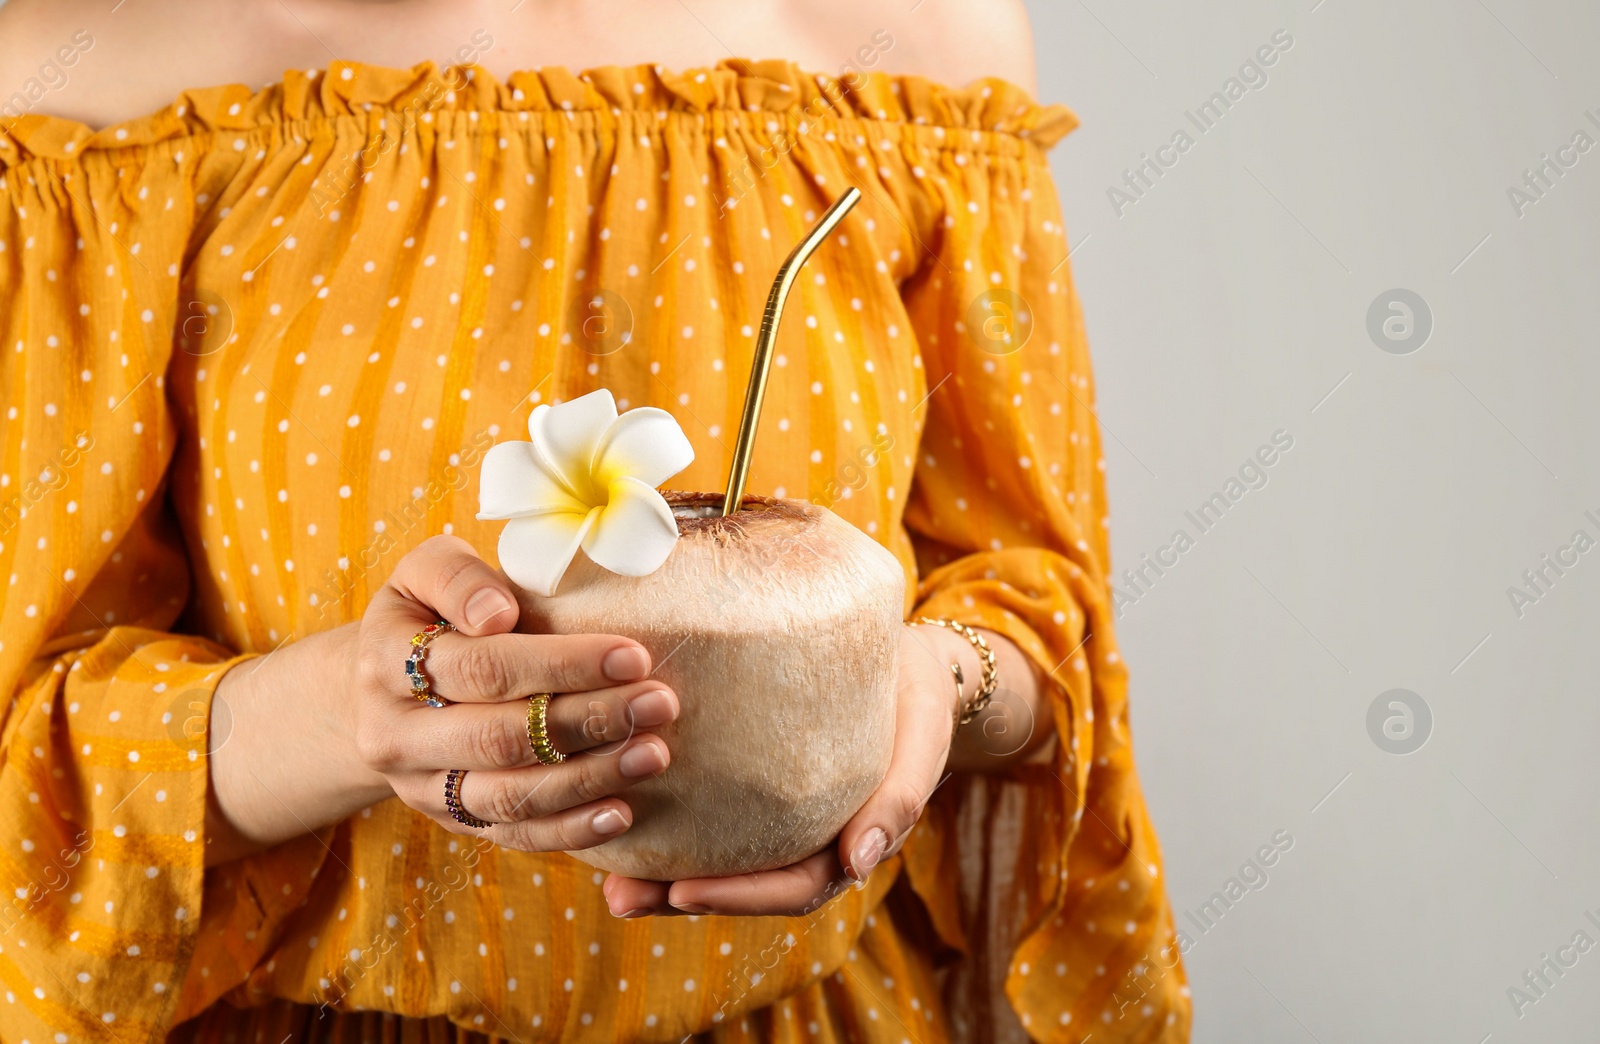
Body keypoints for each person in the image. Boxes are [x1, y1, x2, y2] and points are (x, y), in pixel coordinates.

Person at [0, 0, 1190, 1039]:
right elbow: (26, 764)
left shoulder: (916, 60)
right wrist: (349, 715)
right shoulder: (102, 85)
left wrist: (941, 682)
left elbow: (1041, 620)